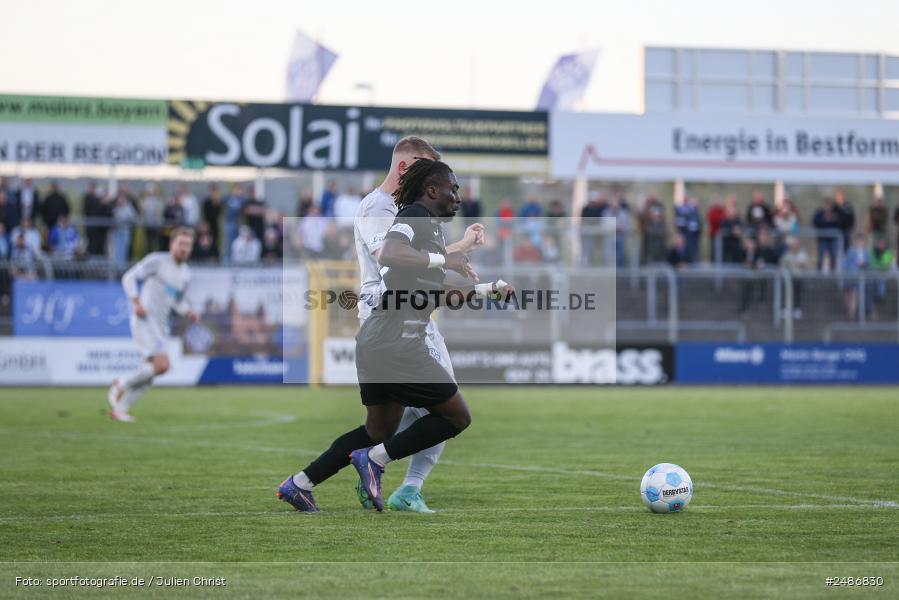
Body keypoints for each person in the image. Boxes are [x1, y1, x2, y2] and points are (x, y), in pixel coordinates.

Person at [277, 158, 509, 513]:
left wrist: (488, 288)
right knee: (456, 417)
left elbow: (441, 291)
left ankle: (301, 483)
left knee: (377, 429)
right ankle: (378, 462)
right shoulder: (415, 216)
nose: (458, 197)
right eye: (453, 188)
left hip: (379, 340)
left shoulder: (428, 227)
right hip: (398, 340)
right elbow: (390, 252)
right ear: (432, 190)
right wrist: (442, 260)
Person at [347, 136, 483, 513]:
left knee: (404, 414)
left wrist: (456, 255)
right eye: (425, 168)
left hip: (413, 312)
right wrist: (455, 253)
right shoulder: (379, 207)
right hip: (390, 317)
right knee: (445, 408)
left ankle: (326, 477)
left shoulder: (410, 209)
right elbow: (390, 258)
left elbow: (416, 258)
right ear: (407, 168)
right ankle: (398, 482)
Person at [107, 228, 198, 422]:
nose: (184, 248)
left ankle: (120, 409)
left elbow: (176, 300)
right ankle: (120, 382)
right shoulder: (157, 261)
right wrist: (136, 301)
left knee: (151, 373)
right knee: (163, 365)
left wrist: (187, 311)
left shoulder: (186, 274)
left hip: (161, 326)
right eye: (180, 243)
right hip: (145, 320)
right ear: (172, 244)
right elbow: (128, 277)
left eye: (187, 245)